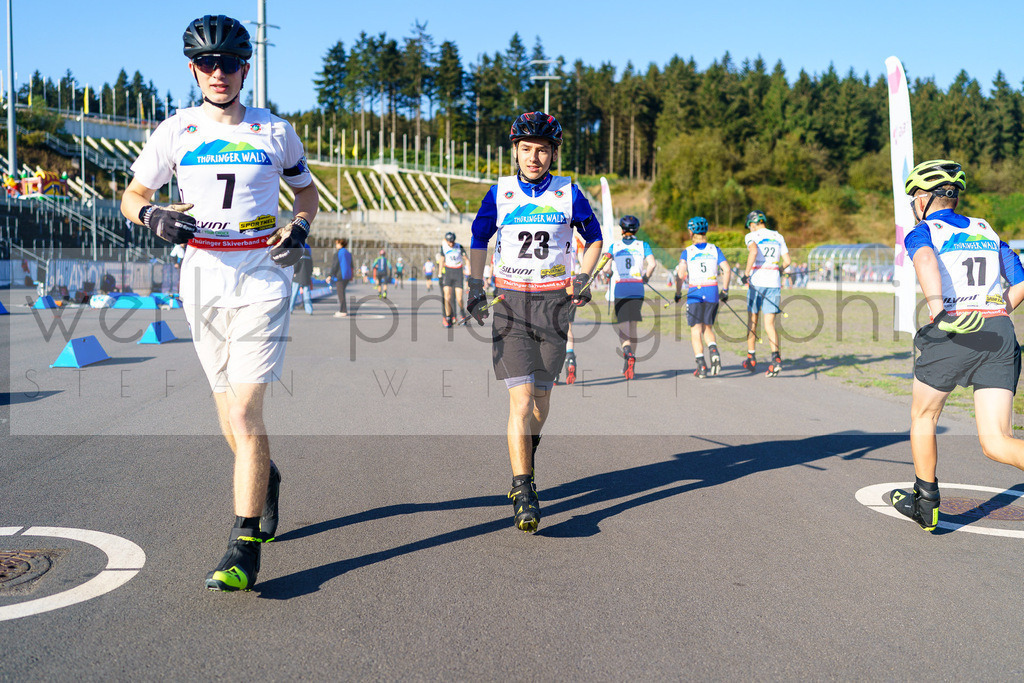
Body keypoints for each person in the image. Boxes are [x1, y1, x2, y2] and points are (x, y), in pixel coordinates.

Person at [120, 14, 319, 592]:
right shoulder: (175, 131)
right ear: (192, 69)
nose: (218, 73)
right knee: (228, 419)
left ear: (245, 69)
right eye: (207, 64)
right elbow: (132, 197)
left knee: (244, 415)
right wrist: (153, 214)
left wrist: (300, 224)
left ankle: (243, 544)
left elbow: (305, 192)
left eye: (229, 63)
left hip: (262, 274)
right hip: (202, 275)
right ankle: (266, 475)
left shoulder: (275, 131)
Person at [467, 111, 603, 534]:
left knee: (541, 403)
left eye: (542, 150)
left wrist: (581, 275)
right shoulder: (500, 193)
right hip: (510, 303)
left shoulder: (569, 193)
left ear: (553, 153)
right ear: (515, 151)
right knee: (521, 402)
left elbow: (595, 237)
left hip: (554, 306)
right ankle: (523, 489)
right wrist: (474, 285)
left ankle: (528, 449)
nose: (534, 157)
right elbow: (478, 238)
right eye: (526, 149)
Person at [889, 159, 1024, 530]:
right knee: (997, 441)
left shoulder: (923, 230)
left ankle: (926, 504)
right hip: (998, 332)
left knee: (924, 417)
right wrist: (999, 308)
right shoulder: (986, 229)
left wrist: (939, 311)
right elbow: (1020, 278)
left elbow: (926, 260)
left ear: (923, 199)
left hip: (954, 330)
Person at [674, 216, 730, 378]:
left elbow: (681, 274)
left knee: (696, 329)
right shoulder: (714, 249)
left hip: (695, 292)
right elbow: (726, 269)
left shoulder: (688, 251)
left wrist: (678, 293)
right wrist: (725, 290)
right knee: (708, 327)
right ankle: (713, 350)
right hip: (712, 290)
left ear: (691, 232)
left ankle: (701, 366)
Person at [603, 215, 656, 379]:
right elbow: (652, 264)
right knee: (633, 327)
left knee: (623, 327)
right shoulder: (643, 245)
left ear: (622, 229)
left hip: (621, 287)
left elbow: (606, 268)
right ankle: (630, 363)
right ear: (637, 229)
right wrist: (646, 276)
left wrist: (609, 273)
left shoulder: (615, 245)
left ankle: (627, 352)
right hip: (637, 287)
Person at [742, 210, 790, 377]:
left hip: (757, 283)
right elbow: (787, 261)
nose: (749, 229)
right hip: (774, 284)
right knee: (770, 324)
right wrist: (780, 271)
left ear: (753, 224)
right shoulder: (778, 236)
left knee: (752, 321)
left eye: (749, 226)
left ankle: (751, 357)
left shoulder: (752, 236)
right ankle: (776, 359)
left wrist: (746, 273)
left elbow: (753, 252)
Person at [440, 231, 467, 327]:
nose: (451, 244)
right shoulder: (444, 246)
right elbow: (442, 260)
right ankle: (448, 317)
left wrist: (468, 271)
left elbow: (466, 259)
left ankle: (462, 313)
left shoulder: (459, 246)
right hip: (448, 272)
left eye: (452, 242)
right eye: (449, 242)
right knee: (447, 297)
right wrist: (439, 274)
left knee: (459, 298)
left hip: (458, 272)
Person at [328, 237, 353, 317]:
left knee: (340, 294)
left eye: (337, 243)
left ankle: (343, 310)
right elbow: (351, 265)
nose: (336, 245)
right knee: (342, 293)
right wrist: (351, 275)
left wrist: (330, 275)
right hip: (347, 276)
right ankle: (343, 310)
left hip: (340, 275)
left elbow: (335, 265)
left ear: (340, 244)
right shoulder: (348, 253)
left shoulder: (338, 253)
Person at [289, 243, 313, 314]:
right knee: (307, 294)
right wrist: (309, 274)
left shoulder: (298, 253)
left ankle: (290, 309)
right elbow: (311, 266)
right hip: (306, 277)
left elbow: (296, 265)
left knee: (294, 294)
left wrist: (294, 272)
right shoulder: (308, 253)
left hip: (298, 276)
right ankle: (309, 310)